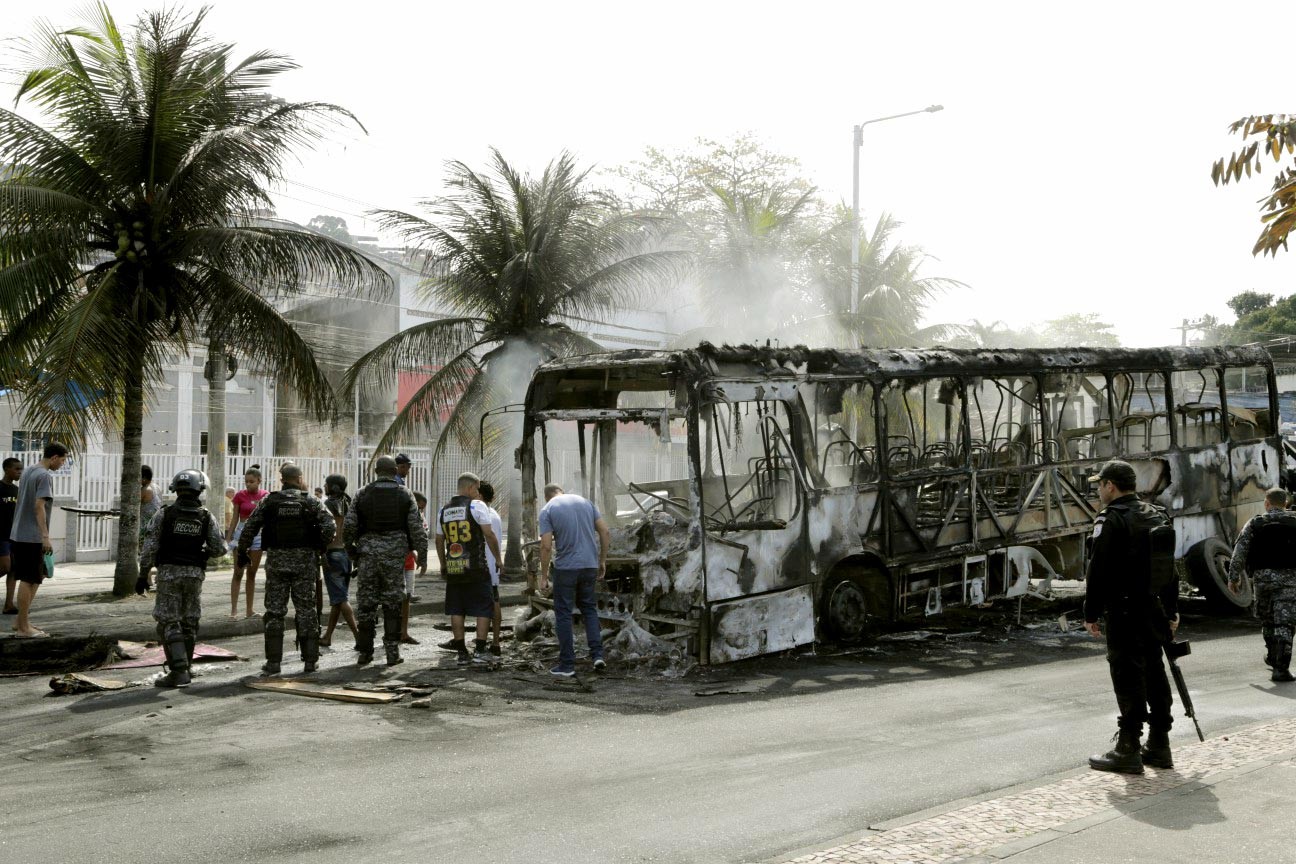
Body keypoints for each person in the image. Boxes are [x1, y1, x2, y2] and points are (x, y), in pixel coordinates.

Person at [1083, 459, 1178, 774]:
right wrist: (1172, 610)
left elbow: (1097, 571)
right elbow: (1169, 568)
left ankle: (1128, 748)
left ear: (1110, 486)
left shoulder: (1110, 519)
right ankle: (1160, 744)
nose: (1098, 490)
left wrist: (1091, 613)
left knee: (1127, 675)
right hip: (1154, 609)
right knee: (1155, 671)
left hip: (1124, 610)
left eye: (1100, 485)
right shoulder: (1158, 514)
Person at [238, 463, 334, 675]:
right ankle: (310, 661)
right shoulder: (310, 501)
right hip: (304, 563)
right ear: (299, 479)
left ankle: (273, 663)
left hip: (277, 563)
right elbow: (330, 526)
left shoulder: (269, 501)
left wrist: (242, 551)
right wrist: (318, 546)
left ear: (282, 480)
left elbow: (250, 527)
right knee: (307, 610)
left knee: (274, 612)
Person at [139, 469, 226, 687]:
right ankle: (186, 667)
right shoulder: (206, 516)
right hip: (194, 575)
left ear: (176, 489)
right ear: (200, 490)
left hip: (169, 574)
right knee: (189, 621)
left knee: (169, 621)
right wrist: (203, 552)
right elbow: (219, 548)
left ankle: (178, 672)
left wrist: (142, 574)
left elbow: (149, 548)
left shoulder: (164, 514)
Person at [344, 456, 427, 667]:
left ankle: (365, 652)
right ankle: (392, 653)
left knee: (366, 603)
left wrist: (351, 550)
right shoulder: (405, 494)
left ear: (377, 471)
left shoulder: (362, 493)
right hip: (394, 555)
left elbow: (349, 526)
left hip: (368, 554)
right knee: (392, 604)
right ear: (394, 471)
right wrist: (423, 555)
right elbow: (417, 529)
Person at [538, 483, 610, 677]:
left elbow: (545, 546)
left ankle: (567, 665)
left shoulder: (548, 509)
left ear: (547, 496)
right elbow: (605, 531)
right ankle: (597, 655)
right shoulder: (586, 503)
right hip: (589, 566)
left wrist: (543, 577)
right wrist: (602, 560)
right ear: (561, 491)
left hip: (566, 568)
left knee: (563, 613)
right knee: (589, 608)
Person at [1229, 487, 1296, 683]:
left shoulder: (1255, 523)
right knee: (1285, 623)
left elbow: (1239, 551)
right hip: (1289, 582)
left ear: (1267, 504)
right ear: (1285, 504)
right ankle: (1280, 668)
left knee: (1267, 621)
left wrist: (1233, 577)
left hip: (1262, 581)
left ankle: (1272, 655)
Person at [435, 472, 502, 665]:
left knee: (457, 608)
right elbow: (489, 535)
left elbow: (439, 540)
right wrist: (498, 558)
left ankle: (462, 652)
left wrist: (443, 564)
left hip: (454, 567)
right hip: (476, 567)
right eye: (477, 488)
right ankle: (480, 651)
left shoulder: (443, 510)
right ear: (472, 487)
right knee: (483, 608)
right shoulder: (477, 505)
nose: (478, 492)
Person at [8, 443, 69, 637]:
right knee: (29, 580)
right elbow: (38, 506)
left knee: (36, 577)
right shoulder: (44, 475)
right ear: (53, 457)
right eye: (62, 460)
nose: (62, 464)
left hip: (19, 533)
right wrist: (45, 536)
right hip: (31, 536)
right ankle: (24, 628)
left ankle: (20, 622)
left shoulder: (29, 471)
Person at [320, 474, 359, 649]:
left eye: (326, 484)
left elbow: (326, 531)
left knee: (341, 598)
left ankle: (359, 637)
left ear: (333, 487)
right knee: (338, 598)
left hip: (332, 554)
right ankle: (327, 636)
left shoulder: (327, 505)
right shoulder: (349, 503)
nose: (324, 487)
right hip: (345, 554)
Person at [227, 466, 268, 618]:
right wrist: (229, 537)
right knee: (238, 572)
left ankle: (249, 610)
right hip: (241, 533)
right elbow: (234, 518)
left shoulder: (266, 496)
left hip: (258, 534)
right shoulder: (239, 496)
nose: (248, 484)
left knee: (252, 573)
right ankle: (233, 610)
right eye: (246, 482)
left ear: (259, 481)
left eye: (251, 481)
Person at [479, 481, 504, 655]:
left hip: (483, 566)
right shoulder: (494, 513)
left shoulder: (481, 513)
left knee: (482, 605)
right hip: (492, 565)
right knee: (494, 601)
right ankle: (495, 642)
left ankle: (483, 641)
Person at [399, 492, 428, 645]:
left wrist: (417, 556)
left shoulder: (419, 518)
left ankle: (404, 632)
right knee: (397, 598)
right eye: (419, 507)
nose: (420, 511)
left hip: (409, 563)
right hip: (397, 562)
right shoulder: (400, 515)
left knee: (407, 597)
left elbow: (420, 538)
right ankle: (395, 632)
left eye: (422, 509)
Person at [135, 464, 161, 594]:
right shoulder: (156, 487)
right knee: (156, 554)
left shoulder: (145, 490)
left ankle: (148, 580)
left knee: (144, 554)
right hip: (157, 526)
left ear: (144, 478)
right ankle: (155, 579)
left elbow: (133, 504)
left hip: (145, 527)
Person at [1, 458, 22, 616]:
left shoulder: (17, 490)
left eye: (21, 469)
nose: (19, 472)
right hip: (0, 535)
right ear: (6, 469)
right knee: (5, 567)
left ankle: (9, 604)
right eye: (16, 469)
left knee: (13, 570)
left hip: (14, 536)